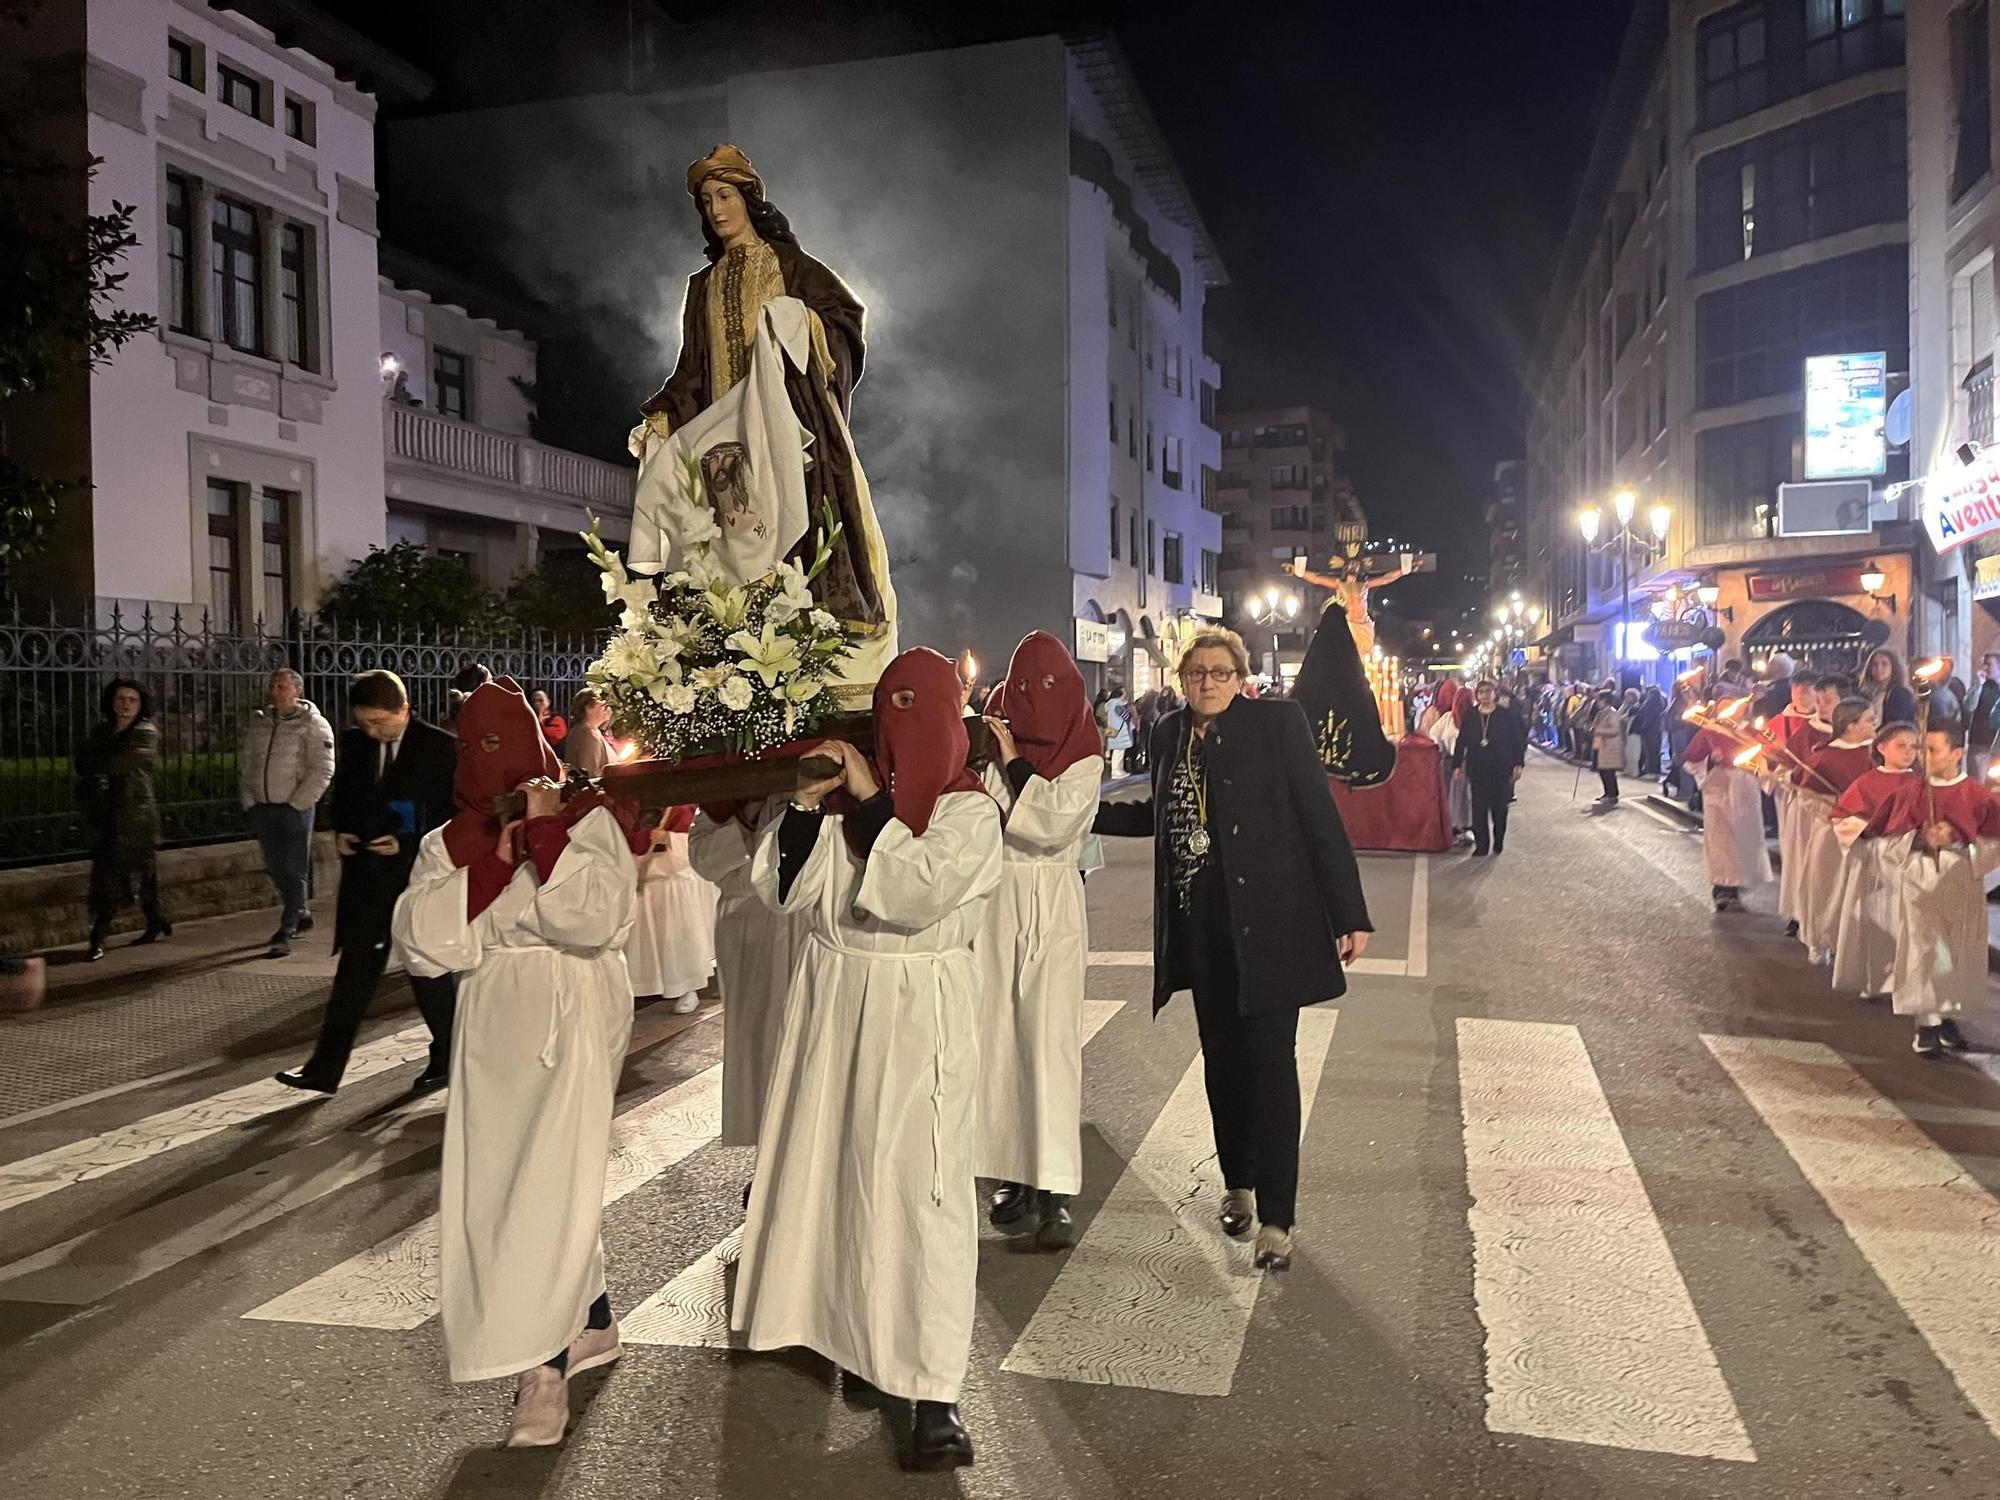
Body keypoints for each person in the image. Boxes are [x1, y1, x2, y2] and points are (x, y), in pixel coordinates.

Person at [734, 648, 1002, 1472]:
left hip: (919, 1011)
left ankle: (932, 1392)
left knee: (921, 1196)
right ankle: (854, 1337)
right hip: (836, 1006)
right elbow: (784, 893)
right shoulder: (849, 804)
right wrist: (809, 811)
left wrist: (868, 802)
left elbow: (915, 890)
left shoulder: (970, 813)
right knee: (841, 1183)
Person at [391, 679, 644, 1446]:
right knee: (510, 1179)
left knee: (551, 1180)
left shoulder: (587, 817)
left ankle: (545, 1369)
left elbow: (600, 917)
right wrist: (494, 868)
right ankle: (592, 1318)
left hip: (573, 1005)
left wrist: (545, 839)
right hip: (493, 1017)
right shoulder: (449, 841)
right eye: (477, 748)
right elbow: (421, 942)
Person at [1094, 627, 1371, 1273]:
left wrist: (1349, 913)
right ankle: (1237, 1186)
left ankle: (1278, 1218)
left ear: (1241, 678)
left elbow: (1318, 817)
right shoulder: (1168, 735)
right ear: (1182, 679)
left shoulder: (1277, 724)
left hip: (1273, 928)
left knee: (1271, 1068)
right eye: (1197, 674)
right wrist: (1075, 811)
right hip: (1204, 933)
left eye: (1220, 672)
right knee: (1223, 1066)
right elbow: (1155, 813)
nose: (1208, 683)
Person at [632, 144, 896, 682]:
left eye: (725, 196)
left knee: (802, 540)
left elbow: (845, 321)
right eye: (707, 202)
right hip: (725, 446)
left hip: (788, 431)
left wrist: (801, 324)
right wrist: (662, 414)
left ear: (749, 200)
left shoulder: (791, 266)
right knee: (735, 557)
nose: (717, 210)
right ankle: (747, 668)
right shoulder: (700, 287)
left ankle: (811, 664)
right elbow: (692, 370)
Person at [974, 631, 1103, 1249]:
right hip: (996, 902)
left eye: (1049, 685)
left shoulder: (1083, 754)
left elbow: (1052, 826)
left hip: (1051, 904)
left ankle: (1054, 1187)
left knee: (1047, 1042)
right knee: (998, 1037)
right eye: (1023, 686)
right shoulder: (990, 748)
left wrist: (1013, 765)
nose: (1035, 698)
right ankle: (1010, 1175)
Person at [276, 671, 458, 1095]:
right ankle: (324, 1069)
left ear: (404, 710)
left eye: (381, 722)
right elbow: (347, 796)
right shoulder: (355, 743)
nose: (374, 731)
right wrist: (342, 829)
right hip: (367, 876)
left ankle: (449, 1055)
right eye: (366, 723)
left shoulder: (438, 746)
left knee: (427, 972)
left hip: (416, 876)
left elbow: (449, 811)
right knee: (354, 974)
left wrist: (407, 841)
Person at [688, 796, 802, 1164]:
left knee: (798, 1034)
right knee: (755, 1038)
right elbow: (704, 859)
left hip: (801, 923)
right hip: (744, 923)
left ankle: (806, 1151)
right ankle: (770, 1156)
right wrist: (743, 823)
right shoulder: (723, 802)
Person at [1893, 722, 2000, 1056]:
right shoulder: (1912, 790)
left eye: (1932, 749)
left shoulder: (1976, 794)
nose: (1922, 756)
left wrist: (1956, 839)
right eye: (1921, 749)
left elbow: (1993, 841)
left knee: (1957, 950)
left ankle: (1948, 1012)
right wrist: (1919, 839)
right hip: (1921, 879)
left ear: (1957, 753)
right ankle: (1926, 1023)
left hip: (1961, 879)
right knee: (1925, 948)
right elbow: (1890, 837)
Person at [239, 668, 336, 957]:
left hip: (294, 808)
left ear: (297, 691)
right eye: (273, 685)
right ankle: (300, 909)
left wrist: (299, 803)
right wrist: (249, 800)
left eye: (282, 686)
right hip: (263, 807)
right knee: (275, 865)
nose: (275, 691)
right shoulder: (259, 723)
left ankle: (288, 925)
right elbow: (248, 764)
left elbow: (322, 767)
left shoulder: (313, 724)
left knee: (294, 868)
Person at [1280, 558, 1399, 787]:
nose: (1353, 568)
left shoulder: (1314, 673)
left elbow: (1385, 578)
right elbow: (1315, 577)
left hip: (1360, 627)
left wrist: (1403, 569)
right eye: (1349, 565)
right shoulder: (1354, 681)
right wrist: (1297, 570)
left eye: (1357, 565)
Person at [75, 678, 168, 962]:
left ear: (141, 705)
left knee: (135, 875)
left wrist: (98, 762)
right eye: (120, 699)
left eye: (132, 700)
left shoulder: (145, 732)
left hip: (135, 816)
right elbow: (82, 762)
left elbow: (121, 763)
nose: (126, 705)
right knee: (110, 875)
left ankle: (100, 936)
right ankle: (153, 921)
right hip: (105, 814)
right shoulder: (103, 731)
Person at [1828, 721, 1921, 1004]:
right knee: (1877, 919)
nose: (1908, 752)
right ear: (1882, 748)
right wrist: (1864, 829)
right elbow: (1842, 818)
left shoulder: (1921, 782)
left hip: (1911, 862)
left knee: (1909, 923)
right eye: (1901, 745)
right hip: (1876, 861)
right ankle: (1876, 979)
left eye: (1914, 746)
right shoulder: (1867, 782)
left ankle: (1908, 980)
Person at [1796, 698, 1878, 964]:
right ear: (1851, 726)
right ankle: (1820, 939)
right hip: (1831, 834)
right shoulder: (1824, 756)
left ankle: (1853, 941)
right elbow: (1807, 797)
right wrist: (1837, 805)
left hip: (1867, 833)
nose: (1874, 724)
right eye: (1869, 719)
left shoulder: (1876, 755)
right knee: (1826, 887)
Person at [628, 806, 717, 1014]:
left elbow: (698, 842)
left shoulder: (682, 808)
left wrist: (668, 838)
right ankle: (644, 987)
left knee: (677, 941)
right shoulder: (632, 805)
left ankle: (687, 989)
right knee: (645, 943)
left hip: (672, 881)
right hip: (644, 880)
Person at [1682, 715, 1771, 911]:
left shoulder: (1750, 730)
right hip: (1719, 787)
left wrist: (1759, 767)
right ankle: (1722, 887)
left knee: (1744, 837)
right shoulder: (1711, 730)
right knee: (1720, 838)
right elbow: (1691, 758)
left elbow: (1766, 756)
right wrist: (1711, 759)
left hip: (1745, 786)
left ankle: (1738, 885)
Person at [1453, 679, 1527, 856]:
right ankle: (1482, 845)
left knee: (1499, 808)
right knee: (1478, 809)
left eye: (1488, 691)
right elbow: (1461, 741)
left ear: (1495, 694)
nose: (1485, 695)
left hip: (1501, 769)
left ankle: (1498, 840)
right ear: (1477, 695)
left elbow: (1517, 740)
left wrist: (1518, 764)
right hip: (1477, 768)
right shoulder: (1470, 715)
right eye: (1481, 692)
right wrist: (1457, 765)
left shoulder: (1505, 715)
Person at [1860, 647, 1919, 727]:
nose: (1879, 668)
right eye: (1875, 664)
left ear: (1894, 667)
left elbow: (1896, 725)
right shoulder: (1868, 696)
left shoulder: (1900, 694)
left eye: (1884, 664)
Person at [564, 688, 615, 778]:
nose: (608, 709)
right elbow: (590, 774)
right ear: (588, 708)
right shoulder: (588, 735)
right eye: (603, 705)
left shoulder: (587, 730)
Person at [1588, 689, 1626, 806]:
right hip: (1601, 746)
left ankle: (1612, 794)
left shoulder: (1612, 713)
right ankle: (1607, 793)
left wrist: (1598, 730)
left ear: (1605, 701)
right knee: (1602, 771)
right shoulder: (1600, 713)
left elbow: (1615, 730)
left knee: (1608, 772)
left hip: (1611, 746)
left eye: (1599, 700)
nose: (1597, 702)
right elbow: (1595, 725)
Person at [1966, 654, 2000, 781]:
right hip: (1979, 745)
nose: (1985, 667)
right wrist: (1978, 686)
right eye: (1984, 664)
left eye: (1989, 664)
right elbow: (1969, 707)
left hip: (1996, 747)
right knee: (1977, 784)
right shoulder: (1981, 686)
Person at [1632, 685, 1666, 779]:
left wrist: (1643, 728)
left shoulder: (1651, 703)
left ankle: (1650, 770)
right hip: (1656, 730)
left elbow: (1648, 717)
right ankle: (1654, 770)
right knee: (1655, 751)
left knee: (1650, 751)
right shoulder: (1660, 702)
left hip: (1650, 730)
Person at [1102, 684, 1135, 775]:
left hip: (1113, 729)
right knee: (1119, 752)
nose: (1125, 695)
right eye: (1123, 693)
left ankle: (1118, 770)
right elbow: (1126, 716)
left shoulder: (1110, 704)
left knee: (1118, 751)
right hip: (1119, 731)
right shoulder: (1117, 705)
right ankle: (1116, 770)